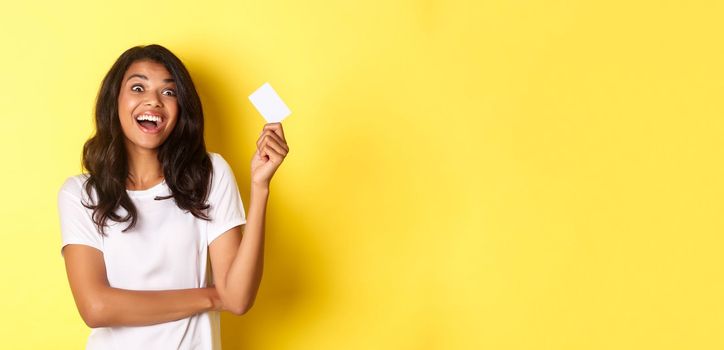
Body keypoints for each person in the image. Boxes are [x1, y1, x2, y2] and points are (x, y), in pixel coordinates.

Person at [57, 44, 289, 349]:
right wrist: (213, 296)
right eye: (138, 87)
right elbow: (96, 308)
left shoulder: (210, 174)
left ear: (181, 109)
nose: (153, 100)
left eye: (169, 92)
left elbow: (239, 297)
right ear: (114, 101)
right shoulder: (81, 194)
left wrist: (260, 188)